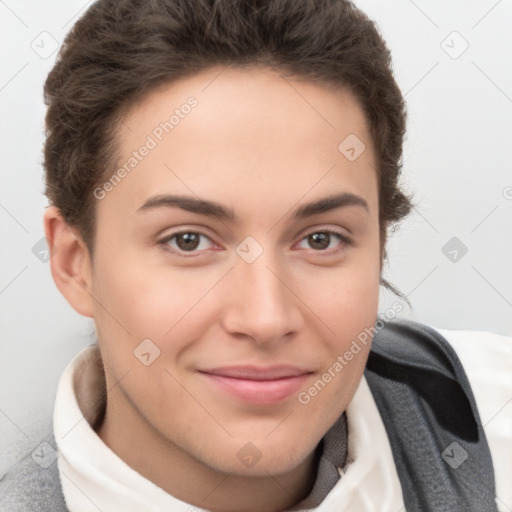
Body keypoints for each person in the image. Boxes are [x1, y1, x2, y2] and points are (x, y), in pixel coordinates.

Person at [1, 0, 510, 511]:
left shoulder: (493, 415)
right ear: (75, 264)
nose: (265, 319)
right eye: (188, 240)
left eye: (320, 239)